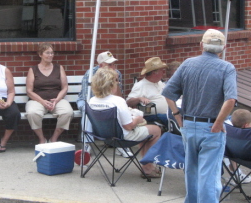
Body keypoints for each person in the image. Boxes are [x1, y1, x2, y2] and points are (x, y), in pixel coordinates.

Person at [162, 29, 237, 203]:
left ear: (201, 45)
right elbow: (231, 100)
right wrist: (219, 123)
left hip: (189, 125)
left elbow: (168, 92)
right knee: (209, 177)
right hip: (211, 127)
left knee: (192, 172)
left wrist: (177, 116)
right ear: (223, 48)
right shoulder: (227, 68)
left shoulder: (188, 63)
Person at [89, 67, 162, 177]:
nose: (118, 83)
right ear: (110, 83)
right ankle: (147, 167)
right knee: (156, 130)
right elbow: (129, 126)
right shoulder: (118, 101)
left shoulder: (92, 101)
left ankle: (147, 165)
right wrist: (138, 119)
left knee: (144, 132)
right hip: (122, 137)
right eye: (116, 81)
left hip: (103, 136)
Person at [76, 51, 132, 158]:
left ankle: (120, 144)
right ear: (101, 65)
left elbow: (119, 97)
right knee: (86, 109)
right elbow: (88, 96)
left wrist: (116, 81)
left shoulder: (117, 73)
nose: (113, 66)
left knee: (116, 109)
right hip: (89, 99)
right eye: (110, 64)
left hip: (107, 99)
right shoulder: (91, 74)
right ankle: (87, 144)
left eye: (114, 64)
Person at [25, 43, 73, 144]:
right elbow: (29, 91)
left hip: (57, 100)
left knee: (67, 112)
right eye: (47, 53)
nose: (50, 55)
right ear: (40, 54)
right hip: (37, 100)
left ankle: (54, 139)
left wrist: (57, 100)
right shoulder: (33, 69)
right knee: (32, 113)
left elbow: (64, 87)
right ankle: (42, 139)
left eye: (52, 53)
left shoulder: (59, 68)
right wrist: (42, 102)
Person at [126, 57, 169, 128]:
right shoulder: (140, 85)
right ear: (154, 73)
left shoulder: (159, 82)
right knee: (173, 118)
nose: (164, 73)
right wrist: (139, 98)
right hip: (153, 116)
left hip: (166, 113)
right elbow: (128, 102)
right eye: (162, 71)